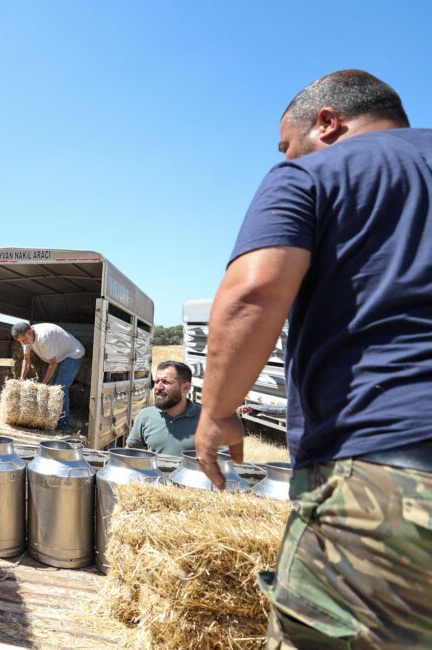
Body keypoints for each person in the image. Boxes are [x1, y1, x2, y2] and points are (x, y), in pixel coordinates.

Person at [195, 69, 432, 647]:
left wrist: (219, 411)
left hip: (385, 467)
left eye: (286, 142)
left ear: (327, 123)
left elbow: (255, 292)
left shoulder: (315, 173)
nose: (285, 154)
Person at [11, 320, 86, 430]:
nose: (23, 343)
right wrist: (21, 378)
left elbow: (52, 363)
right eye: (21, 341)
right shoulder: (26, 339)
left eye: (24, 340)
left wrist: (43, 384)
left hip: (73, 354)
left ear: (30, 332)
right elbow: (26, 360)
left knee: (59, 389)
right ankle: (51, 420)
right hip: (59, 356)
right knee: (51, 387)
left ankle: (64, 425)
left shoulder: (44, 337)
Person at [126, 361, 199, 455]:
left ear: (186, 388)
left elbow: (221, 460)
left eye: (166, 382)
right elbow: (129, 453)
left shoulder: (206, 420)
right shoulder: (146, 416)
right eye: (156, 381)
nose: (158, 387)